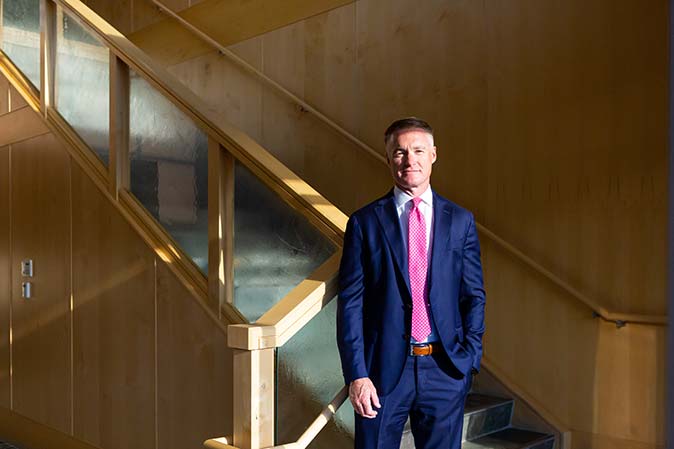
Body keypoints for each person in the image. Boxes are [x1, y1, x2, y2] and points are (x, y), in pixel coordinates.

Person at [337, 117, 486, 449]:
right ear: (388, 158)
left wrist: (469, 357)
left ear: (433, 154)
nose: (409, 160)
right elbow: (351, 302)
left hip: (445, 369)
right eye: (400, 152)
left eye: (418, 150)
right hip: (382, 372)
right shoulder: (365, 223)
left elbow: (473, 295)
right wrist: (357, 375)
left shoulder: (460, 220)